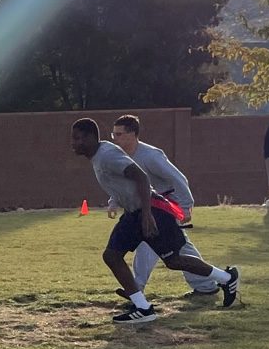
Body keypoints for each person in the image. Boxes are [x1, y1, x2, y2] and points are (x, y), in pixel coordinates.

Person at [71, 118, 240, 322]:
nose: (73, 143)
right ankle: (143, 307)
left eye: (78, 138)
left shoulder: (110, 155)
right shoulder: (101, 155)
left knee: (174, 260)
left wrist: (148, 214)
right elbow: (121, 184)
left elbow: (142, 177)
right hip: (134, 213)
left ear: (91, 137)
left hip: (153, 211)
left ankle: (226, 278)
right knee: (112, 255)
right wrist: (115, 202)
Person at [111, 115, 220, 300]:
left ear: (132, 134)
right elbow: (124, 184)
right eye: (113, 134)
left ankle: (136, 289)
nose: (115, 139)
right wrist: (113, 201)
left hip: (166, 205)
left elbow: (179, 179)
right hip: (149, 207)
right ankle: (207, 286)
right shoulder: (121, 157)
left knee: (148, 241)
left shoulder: (151, 155)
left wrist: (185, 207)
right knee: (180, 246)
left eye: (119, 134)